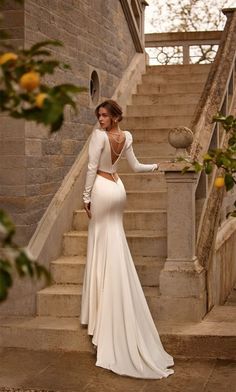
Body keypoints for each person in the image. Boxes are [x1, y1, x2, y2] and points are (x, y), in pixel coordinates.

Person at [81, 99, 174, 379]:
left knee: (100, 243)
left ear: (115, 117)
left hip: (101, 188)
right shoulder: (127, 137)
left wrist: (85, 198)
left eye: (105, 116)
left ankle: (101, 313)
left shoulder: (99, 138)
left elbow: (90, 167)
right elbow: (135, 166)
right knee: (114, 243)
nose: (100, 120)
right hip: (118, 189)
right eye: (99, 116)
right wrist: (157, 165)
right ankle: (112, 297)